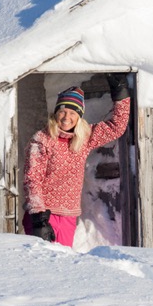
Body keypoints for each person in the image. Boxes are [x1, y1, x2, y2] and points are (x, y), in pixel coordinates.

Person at [22, 74, 131, 247]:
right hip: (43, 216)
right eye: (63, 111)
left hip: (68, 217)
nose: (66, 117)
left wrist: (120, 92)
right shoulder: (42, 139)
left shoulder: (84, 137)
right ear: (55, 113)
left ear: (79, 116)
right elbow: (32, 179)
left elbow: (116, 127)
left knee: (63, 267)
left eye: (72, 112)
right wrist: (38, 219)